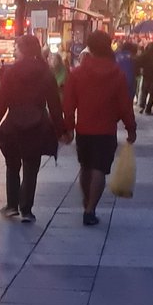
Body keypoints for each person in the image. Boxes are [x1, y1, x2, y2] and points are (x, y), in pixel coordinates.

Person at [63, 30, 137, 227]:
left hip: (84, 129)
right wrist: (131, 127)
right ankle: (90, 209)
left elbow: (69, 103)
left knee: (85, 167)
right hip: (106, 130)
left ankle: (86, 201)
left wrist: (68, 127)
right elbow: (124, 104)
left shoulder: (77, 73)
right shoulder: (117, 74)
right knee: (100, 169)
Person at [0, 34, 64, 223]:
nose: (14, 51)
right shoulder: (45, 72)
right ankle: (26, 209)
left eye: (16, 48)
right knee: (31, 167)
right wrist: (61, 129)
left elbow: (2, 101)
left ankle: (12, 205)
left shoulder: (11, 72)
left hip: (13, 124)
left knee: (12, 165)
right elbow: (55, 104)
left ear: (23, 50)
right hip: (37, 124)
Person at [136, 41, 153, 114]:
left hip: (146, 75)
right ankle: (148, 108)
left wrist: (141, 69)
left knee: (144, 91)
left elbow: (138, 62)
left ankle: (142, 106)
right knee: (152, 93)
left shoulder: (145, 55)